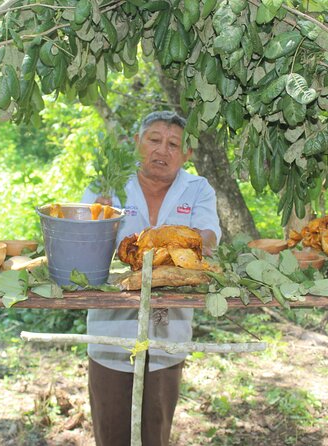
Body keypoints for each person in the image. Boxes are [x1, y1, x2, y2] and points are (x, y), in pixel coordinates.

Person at [81, 111, 221, 446]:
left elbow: (209, 239)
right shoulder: (108, 183)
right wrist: (99, 218)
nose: (163, 150)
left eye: (174, 144)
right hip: (111, 333)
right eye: (154, 139)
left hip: (167, 335)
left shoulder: (197, 189)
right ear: (136, 143)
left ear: (187, 154)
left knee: (155, 434)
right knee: (111, 431)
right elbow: (83, 244)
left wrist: (162, 242)